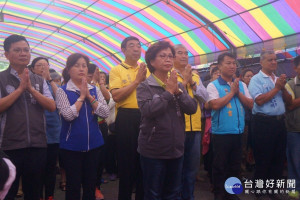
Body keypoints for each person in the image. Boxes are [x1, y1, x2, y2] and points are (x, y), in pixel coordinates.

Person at [136, 41, 197, 200]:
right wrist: (168, 92)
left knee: (173, 192)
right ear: (152, 61)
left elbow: (192, 108)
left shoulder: (177, 84)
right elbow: (148, 111)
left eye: (170, 56)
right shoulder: (145, 86)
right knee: (153, 193)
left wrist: (178, 92)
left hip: (176, 148)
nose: (168, 59)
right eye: (162, 56)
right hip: (153, 150)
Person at [0, 34, 55, 200]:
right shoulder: (1, 79)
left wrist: (31, 89)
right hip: (9, 145)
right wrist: (19, 89)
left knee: (34, 192)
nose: (23, 53)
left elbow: (51, 106)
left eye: (26, 50)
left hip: (37, 144)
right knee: (7, 191)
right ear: (7, 55)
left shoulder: (39, 79)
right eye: (17, 50)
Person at [56, 53, 109, 200]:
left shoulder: (94, 89)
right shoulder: (63, 90)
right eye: (76, 65)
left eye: (84, 65)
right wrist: (81, 97)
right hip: (71, 146)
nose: (81, 69)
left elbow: (104, 112)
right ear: (68, 69)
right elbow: (68, 115)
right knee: (73, 185)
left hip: (94, 144)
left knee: (90, 184)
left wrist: (89, 97)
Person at [207, 52, 253, 200]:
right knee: (220, 166)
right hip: (221, 133)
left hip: (238, 131)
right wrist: (231, 92)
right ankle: (219, 194)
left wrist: (237, 91)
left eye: (234, 63)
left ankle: (232, 193)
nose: (232, 66)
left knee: (235, 166)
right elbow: (214, 105)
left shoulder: (242, 85)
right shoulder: (213, 85)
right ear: (220, 66)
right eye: (228, 63)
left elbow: (250, 104)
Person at [109, 36, 149, 200]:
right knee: (127, 164)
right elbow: (116, 96)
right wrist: (137, 81)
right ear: (123, 50)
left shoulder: (147, 69)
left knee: (144, 163)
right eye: (131, 46)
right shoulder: (117, 70)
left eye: (139, 46)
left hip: (146, 116)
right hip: (126, 118)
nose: (136, 49)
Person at [248, 51, 292, 199]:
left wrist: (282, 87)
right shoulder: (256, 79)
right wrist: (277, 88)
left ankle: (273, 189)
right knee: (263, 157)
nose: (274, 62)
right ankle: (260, 190)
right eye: (270, 60)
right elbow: (259, 101)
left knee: (278, 158)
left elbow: (289, 101)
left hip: (279, 122)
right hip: (263, 123)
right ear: (261, 62)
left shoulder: (278, 79)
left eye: (275, 60)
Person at [173, 44, 208, 200]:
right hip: (178, 127)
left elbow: (205, 97)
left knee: (191, 169)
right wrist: (184, 80)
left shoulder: (196, 76)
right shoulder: (169, 75)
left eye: (186, 53)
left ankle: (189, 196)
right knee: (177, 168)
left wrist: (192, 83)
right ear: (172, 57)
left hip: (195, 127)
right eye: (180, 53)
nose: (184, 56)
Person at [30, 57, 61, 200]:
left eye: (46, 65)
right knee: (37, 169)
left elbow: (61, 99)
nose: (43, 68)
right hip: (36, 133)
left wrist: (49, 80)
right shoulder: (30, 83)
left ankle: (49, 195)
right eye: (39, 65)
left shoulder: (51, 84)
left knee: (51, 167)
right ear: (32, 69)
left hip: (53, 132)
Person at [285, 55, 300, 199]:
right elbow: (289, 105)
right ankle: (293, 187)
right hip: (294, 128)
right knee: (295, 159)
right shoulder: (290, 84)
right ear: (295, 68)